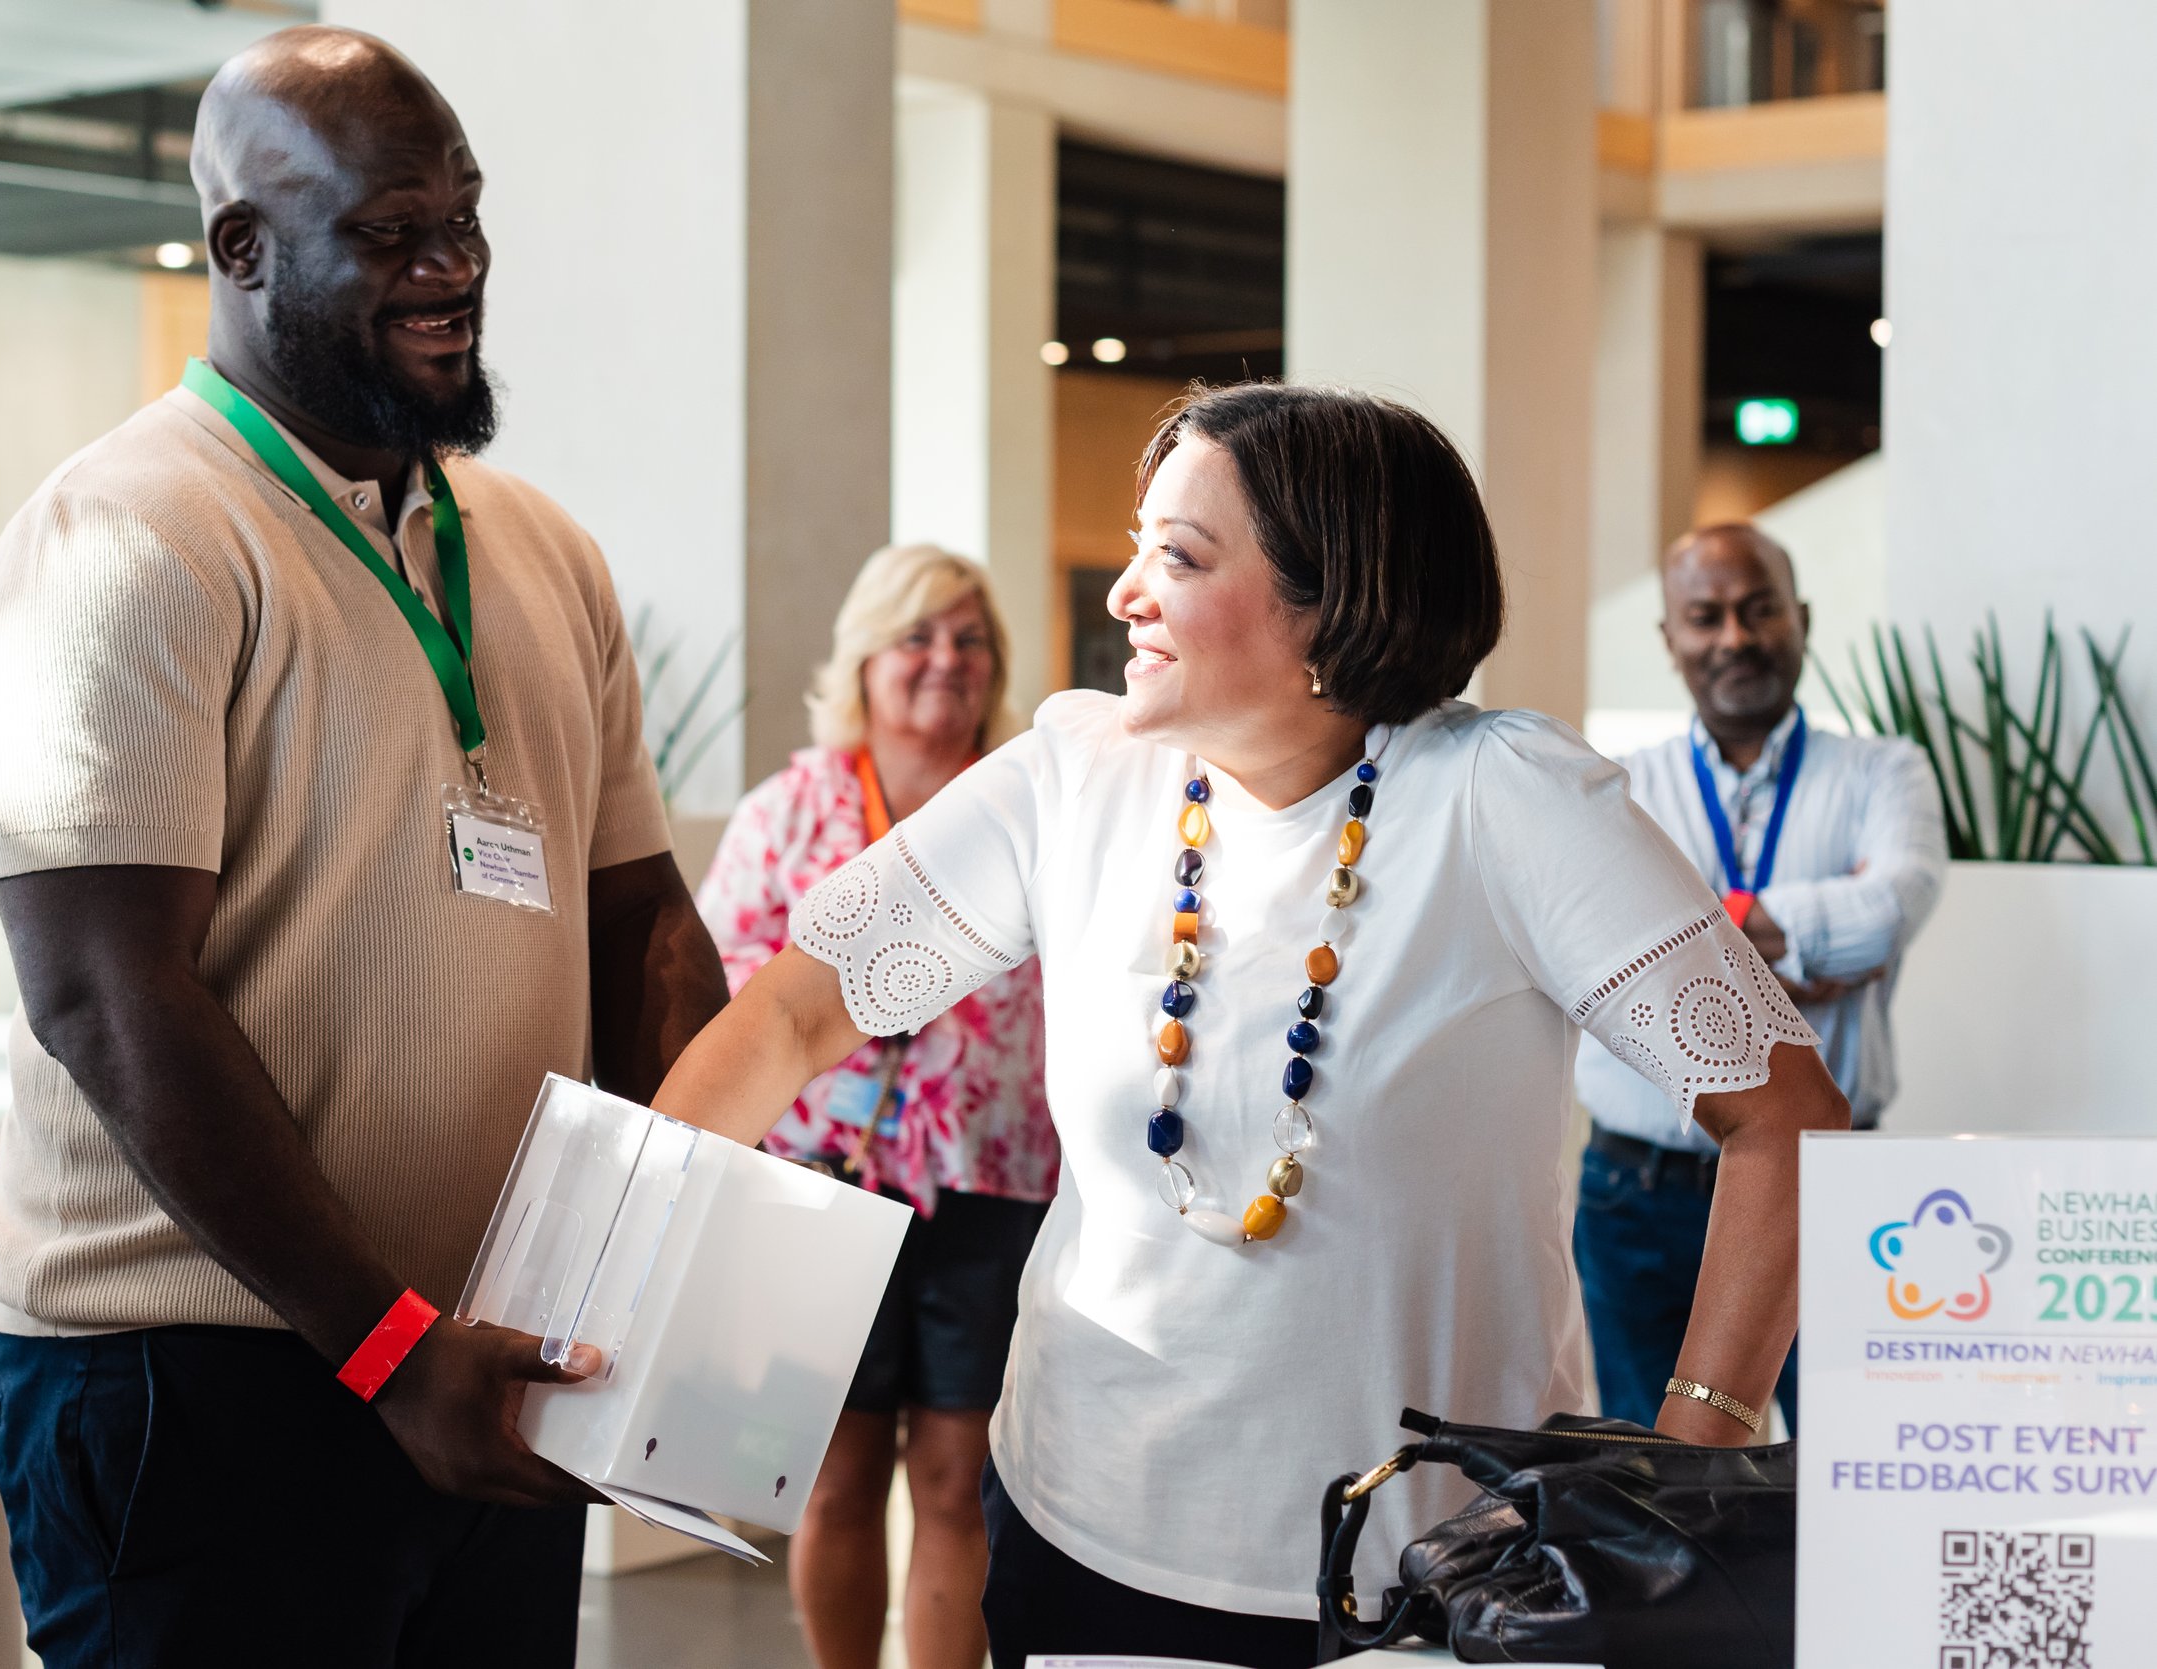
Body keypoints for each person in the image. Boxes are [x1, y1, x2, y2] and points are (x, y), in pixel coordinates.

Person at [643, 382, 1850, 1669]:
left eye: (1177, 556)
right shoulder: (1073, 774)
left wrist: (1675, 1480)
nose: (1125, 592)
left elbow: (1785, 1119)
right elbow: (794, 1012)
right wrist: (620, 1277)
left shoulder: (1502, 797)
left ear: (1334, 598)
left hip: (1429, 1575)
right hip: (1075, 1537)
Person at [0, 28, 727, 1667]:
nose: (453, 269)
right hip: (198, 1373)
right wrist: (385, 1344)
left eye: (465, 219)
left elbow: (640, 920)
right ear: (244, 247)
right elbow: (109, 1001)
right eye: (389, 233)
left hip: (488, 1366)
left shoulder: (540, 549)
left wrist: (706, 1254)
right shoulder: (128, 537)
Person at [697, 544, 1055, 1669]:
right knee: (837, 1472)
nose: (947, 659)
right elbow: (727, 979)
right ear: (864, 658)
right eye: (918, 636)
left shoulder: (1028, 804)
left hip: (992, 1179)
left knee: (957, 1477)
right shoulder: (791, 810)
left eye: (970, 638)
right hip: (823, 1183)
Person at [1574, 523, 1946, 1433]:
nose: (1735, 636)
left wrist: (1689, 936)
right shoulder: (1615, 785)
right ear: (1670, 638)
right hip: (1639, 1199)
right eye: (1706, 616)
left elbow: (1890, 907)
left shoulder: (1885, 772)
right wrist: (1808, 945)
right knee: (1652, 1485)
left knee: (1846, 1461)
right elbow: (1591, 949)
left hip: (1835, 1188)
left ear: (1801, 617)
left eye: (1759, 608)